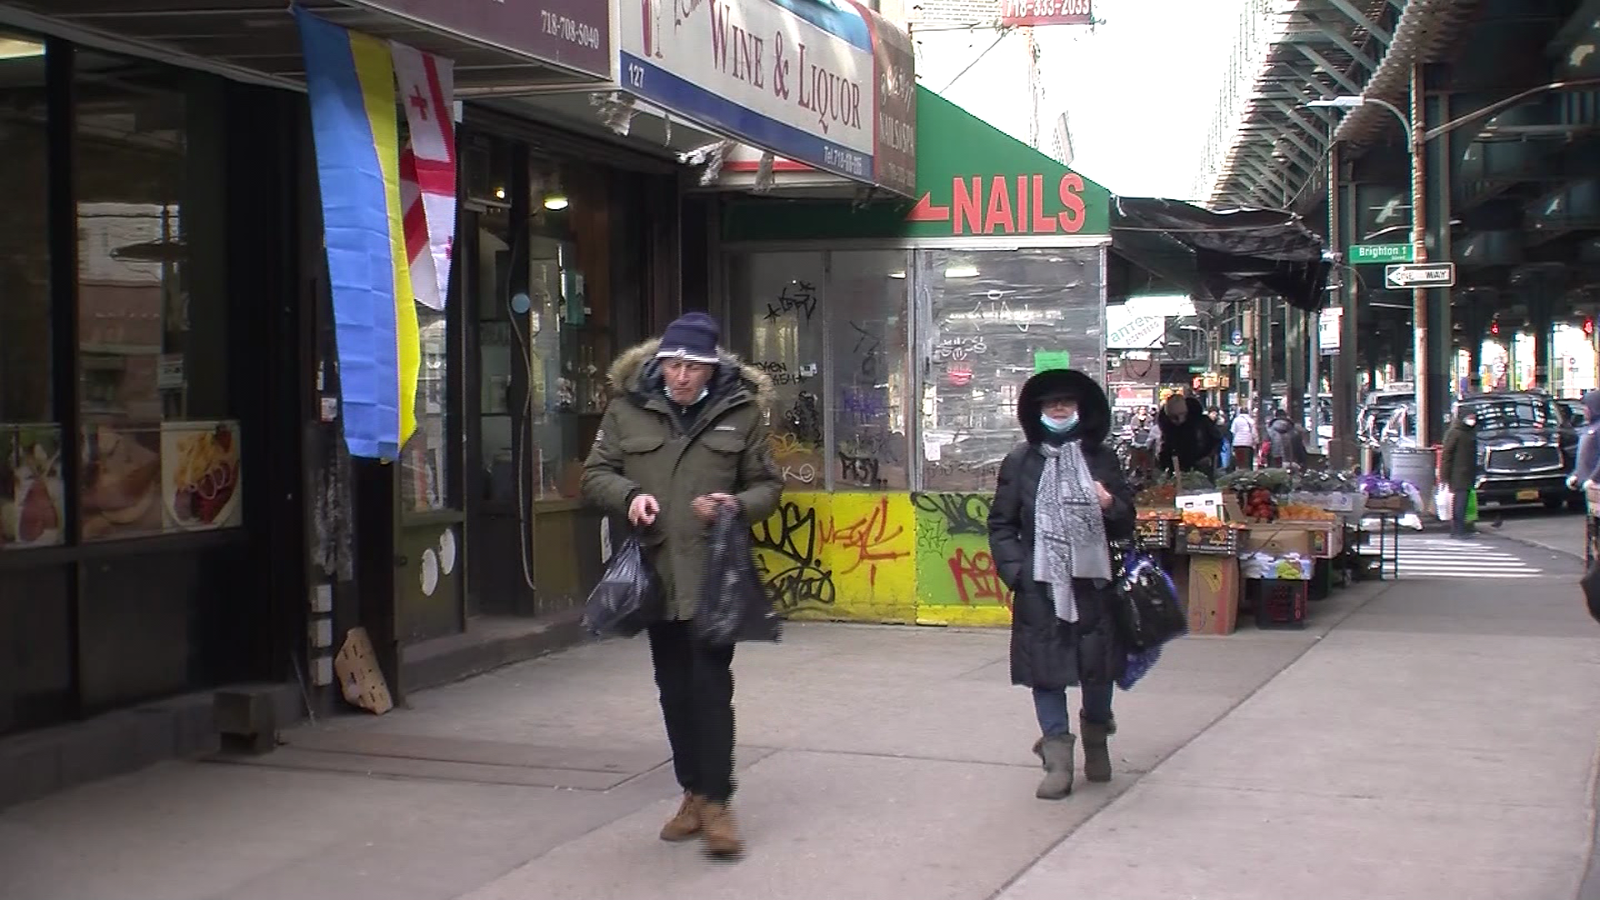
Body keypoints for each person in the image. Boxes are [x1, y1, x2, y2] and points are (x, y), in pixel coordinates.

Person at [581, 311, 783, 857]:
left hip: (714, 575)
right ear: (658, 362)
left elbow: (767, 485)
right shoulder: (627, 409)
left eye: (692, 366)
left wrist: (734, 504)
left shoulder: (741, 412)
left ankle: (718, 803)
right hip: (655, 575)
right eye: (672, 364)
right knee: (673, 688)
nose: (681, 376)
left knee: (711, 687)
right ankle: (692, 791)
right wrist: (629, 497)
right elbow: (594, 473)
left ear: (712, 368)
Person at [987, 368, 1135, 800]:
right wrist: (1017, 572)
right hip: (1041, 585)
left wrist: (1109, 503)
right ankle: (1057, 761)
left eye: (1066, 403)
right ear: (1038, 412)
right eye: (1050, 404)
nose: (1058, 409)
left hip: (1094, 584)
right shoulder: (1021, 461)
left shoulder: (1102, 458)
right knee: (1046, 673)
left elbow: (1128, 517)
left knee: (1097, 668)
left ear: (1080, 409)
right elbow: (1001, 524)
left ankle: (1096, 738)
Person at [1438, 406, 1480, 538]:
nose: (1472, 420)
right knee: (1460, 502)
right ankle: (1458, 529)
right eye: (1470, 417)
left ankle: (1462, 528)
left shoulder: (1469, 431)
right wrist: (1444, 476)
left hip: (1467, 472)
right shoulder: (1455, 432)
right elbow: (1447, 455)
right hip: (1458, 473)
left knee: (1464, 501)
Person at [1155, 393, 1219, 478]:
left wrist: (1208, 456)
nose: (1179, 420)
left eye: (1182, 415)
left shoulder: (1202, 422)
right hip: (1178, 470)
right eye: (1174, 417)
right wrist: (1164, 463)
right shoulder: (1168, 427)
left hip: (1202, 466)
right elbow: (1167, 446)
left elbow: (1215, 440)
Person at [1568, 391, 1600, 494]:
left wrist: (1594, 478)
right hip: (1588, 486)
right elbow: (1583, 457)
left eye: (1587, 407)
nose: (1584, 411)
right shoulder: (1587, 428)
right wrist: (1576, 474)